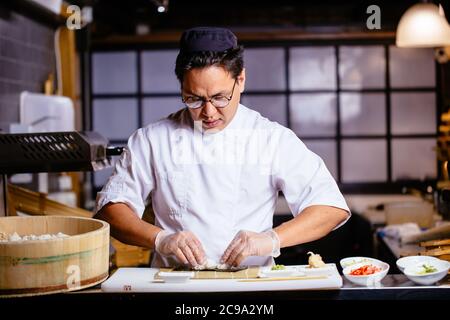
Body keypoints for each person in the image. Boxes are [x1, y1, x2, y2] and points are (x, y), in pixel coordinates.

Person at [94, 26, 350, 269]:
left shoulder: (271, 139)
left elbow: (330, 208)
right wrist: (160, 239)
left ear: (241, 80)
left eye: (219, 97)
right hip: (174, 288)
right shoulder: (152, 140)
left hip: (250, 288)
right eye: (193, 99)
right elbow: (111, 209)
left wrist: (271, 239)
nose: (208, 112)